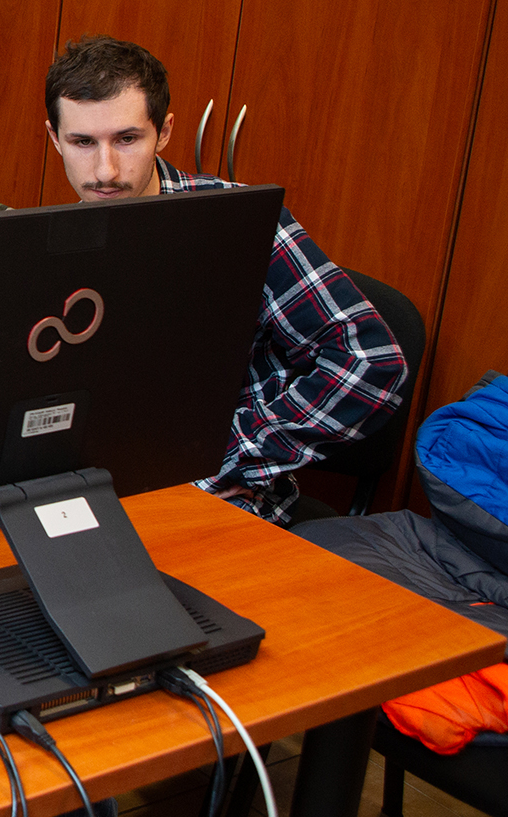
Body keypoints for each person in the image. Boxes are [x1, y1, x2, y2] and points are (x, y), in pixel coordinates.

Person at [44, 35, 408, 525]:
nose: (105, 171)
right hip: (95, 492)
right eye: (83, 142)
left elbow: (371, 359)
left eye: (127, 139)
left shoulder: (241, 225)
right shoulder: (54, 241)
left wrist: (232, 455)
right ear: (55, 138)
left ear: (164, 131)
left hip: (213, 499)